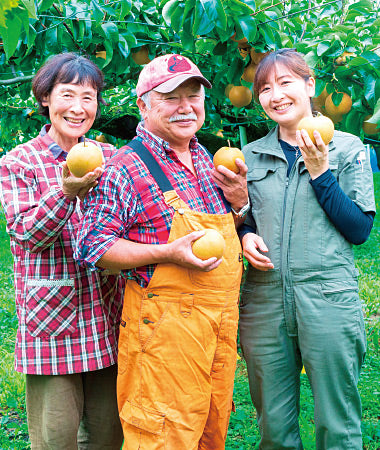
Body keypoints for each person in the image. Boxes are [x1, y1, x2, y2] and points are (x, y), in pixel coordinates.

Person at [75, 53, 249, 449]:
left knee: (210, 428)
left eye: (194, 96)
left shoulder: (205, 157)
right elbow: (94, 247)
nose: (186, 107)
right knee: (162, 436)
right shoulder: (125, 166)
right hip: (164, 332)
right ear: (144, 104)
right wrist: (168, 253)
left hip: (217, 325)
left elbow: (217, 235)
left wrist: (239, 206)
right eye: (171, 97)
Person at [239, 48, 376, 450]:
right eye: (264, 88)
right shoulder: (250, 156)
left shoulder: (347, 149)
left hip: (328, 297)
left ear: (309, 85)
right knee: (274, 428)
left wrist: (320, 172)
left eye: (285, 83)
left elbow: (359, 229)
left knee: (337, 423)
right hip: (264, 302)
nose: (275, 95)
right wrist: (245, 233)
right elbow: (248, 217)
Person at [0, 53, 124, 449]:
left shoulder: (111, 157)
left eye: (88, 97)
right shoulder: (20, 161)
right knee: (56, 438)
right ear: (45, 99)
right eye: (67, 95)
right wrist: (66, 193)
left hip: (106, 317)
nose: (78, 108)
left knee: (108, 435)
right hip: (52, 324)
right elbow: (26, 233)